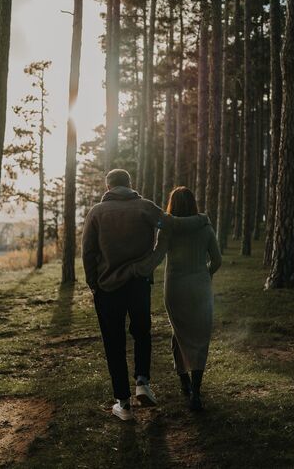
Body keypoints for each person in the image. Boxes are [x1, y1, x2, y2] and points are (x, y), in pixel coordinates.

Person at [82, 169, 207, 421]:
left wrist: (93, 284)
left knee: (113, 343)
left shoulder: (96, 213)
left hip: (107, 289)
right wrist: (202, 219)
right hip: (138, 283)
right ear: (130, 184)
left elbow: (88, 252)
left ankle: (124, 405)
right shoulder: (145, 208)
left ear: (108, 187)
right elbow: (171, 223)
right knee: (141, 333)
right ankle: (142, 381)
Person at [128, 186, 222, 411]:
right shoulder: (205, 227)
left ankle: (184, 383)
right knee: (200, 337)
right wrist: (204, 275)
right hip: (200, 288)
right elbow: (217, 260)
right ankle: (196, 393)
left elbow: (156, 258)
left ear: (172, 205)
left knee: (179, 334)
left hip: (175, 289)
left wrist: (134, 270)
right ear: (193, 204)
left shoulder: (168, 229)